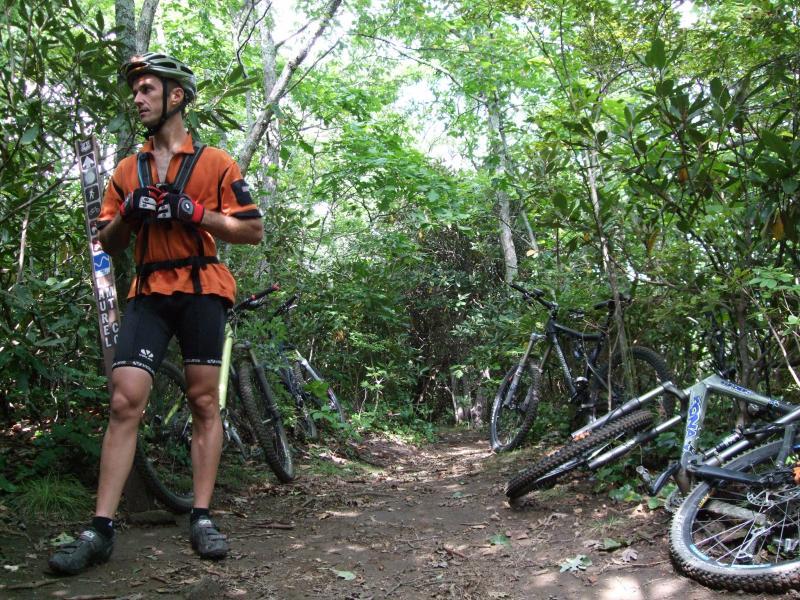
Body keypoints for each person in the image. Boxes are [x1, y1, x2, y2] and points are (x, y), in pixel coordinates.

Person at [49, 52, 263, 575]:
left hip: (202, 290)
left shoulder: (216, 163)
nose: (138, 99)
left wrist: (198, 213)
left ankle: (203, 517)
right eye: (136, 91)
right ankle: (99, 530)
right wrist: (127, 212)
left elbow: (252, 229)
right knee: (125, 400)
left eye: (147, 89)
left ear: (176, 96)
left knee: (203, 402)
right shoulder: (127, 170)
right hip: (148, 292)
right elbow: (110, 243)